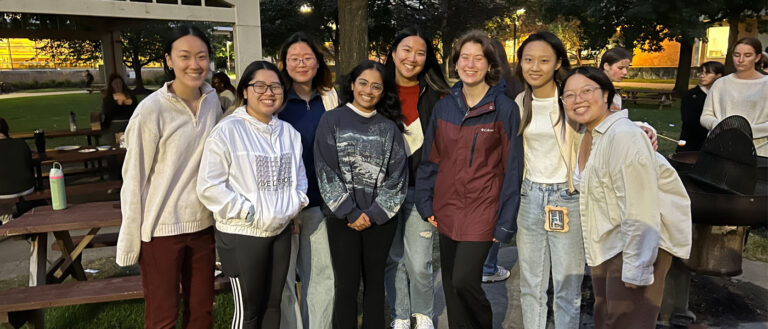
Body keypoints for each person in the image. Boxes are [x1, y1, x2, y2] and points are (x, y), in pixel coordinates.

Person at [560, 66, 691, 329]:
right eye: (569, 95)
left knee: (627, 323)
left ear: (607, 94)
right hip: (607, 243)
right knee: (608, 320)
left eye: (587, 91)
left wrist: (637, 266)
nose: (578, 100)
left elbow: (641, 207)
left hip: (632, 246)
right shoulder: (590, 133)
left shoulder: (624, 136)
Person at [115, 25, 221, 329]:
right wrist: (129, 239)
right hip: (160, 230)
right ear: (169, 60)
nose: (195, 64)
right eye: (185, 56)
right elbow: (133, 179)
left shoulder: (213, 101)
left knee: (201, 313)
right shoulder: (151, 110)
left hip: (203, 225)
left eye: (201, 56)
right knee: (163, 317)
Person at [416, 30, 523, 329]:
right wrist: (426, 203)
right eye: (465, 57)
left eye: (479, 58)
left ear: (490, 65)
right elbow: (431, 158)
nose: (471, 64)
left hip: (483, 208)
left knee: (465, 280)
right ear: (456, 62)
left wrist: (504, 222)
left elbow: (512, 168)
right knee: (450, 283)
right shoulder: (444, 106)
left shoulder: (504, 109)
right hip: (446, 206)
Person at [198, 60, 308, 329]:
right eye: (259, 85)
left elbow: (300, 182)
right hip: (242, 233)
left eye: (275, 86)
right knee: (249, 310)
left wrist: (290, 208)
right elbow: (209, 186)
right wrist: (248, 212)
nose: (268, 92)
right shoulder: (227, 131)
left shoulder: (289, 134)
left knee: (273, 306)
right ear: (245, 91)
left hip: (279, 231)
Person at [314, 60, 408, 329]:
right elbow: (325, 170)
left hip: (380, 221)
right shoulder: (331, 120)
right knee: (346, 285)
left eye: (376, 86)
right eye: (363, 83)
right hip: (343, 218)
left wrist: (374, 213)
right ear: (353, 85)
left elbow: (398, 177)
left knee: (375, 283)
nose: (369, 90)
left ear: (383, 91)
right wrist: (351, 212)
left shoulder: (389, 128)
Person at [511, 31, 584, 329]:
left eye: (544, 60)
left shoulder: (572, 99)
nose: (535, 67)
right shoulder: (518, 102)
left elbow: (605, 123)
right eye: (528, 60)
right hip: (529, 198)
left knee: (567, 288)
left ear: (557, 63)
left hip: (567, 197)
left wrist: (643, 127)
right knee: (531, 284)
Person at [382, 26, 450, 329]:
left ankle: (422, 314)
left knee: (420, 262)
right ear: (394, 53)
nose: (412, 58)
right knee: (392, 259)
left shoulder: (438, 96)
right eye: (406, 50)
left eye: (420, 53)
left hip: (421, 192)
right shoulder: (378, 91)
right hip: (383, 194)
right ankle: (399, 315)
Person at [276, 32, 339, 329]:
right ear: (283, 64)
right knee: (285, 279)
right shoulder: (274, 99)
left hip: (321, 204)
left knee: (322, 276)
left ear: (317, 62)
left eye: (307, 58)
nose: (301, 64)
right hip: (284, 207)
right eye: (294, 59)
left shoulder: (329, 97)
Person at [480, 37, 525, 285]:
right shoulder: (513, 87)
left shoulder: (493, 91)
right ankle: (487, 265)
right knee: (495, 214)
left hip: (490, 163)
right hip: (502, 164)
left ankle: (485, 265)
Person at [701, 37, 768, 157]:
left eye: (747, 55)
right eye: (737, 55)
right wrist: (720, 126)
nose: (741, 60)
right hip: (721, 149)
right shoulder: (720, 83)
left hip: (758, 153)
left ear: (757, 57)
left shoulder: (765, 84)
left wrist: (746, 131)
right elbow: (706, 116)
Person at [676, 61, 724, 152]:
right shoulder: (691, 95)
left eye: (707, 73)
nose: (702, 75)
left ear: (719, 76)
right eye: (701, 72)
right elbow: (688, 120)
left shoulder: (723, 95)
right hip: (692, 144)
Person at [0, 118, 35, 225]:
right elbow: (28, 164)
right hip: (27, 187)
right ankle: (7, 219)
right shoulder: (20, 143)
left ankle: (7, 220)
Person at [101, 73, 138, 145]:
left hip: (128, 124)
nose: (118, 85)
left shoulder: (130, 96)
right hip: (114, 125)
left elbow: (135, 111)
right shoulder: (108, 99)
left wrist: (126, 101)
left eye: (120, 83)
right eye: (115, 83)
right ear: (111, 85)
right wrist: (117, 103)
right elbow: (107, 113)